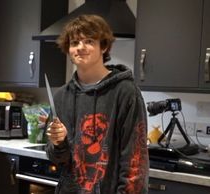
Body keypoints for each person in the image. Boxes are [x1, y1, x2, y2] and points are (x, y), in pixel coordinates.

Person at [46, 14, 149, 194]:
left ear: (104, 46)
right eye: (75, 42)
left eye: (89, 41)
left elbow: (135, 164)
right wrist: (58, 143)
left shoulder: (126, 92)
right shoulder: (61, 96)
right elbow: (58, 160)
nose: (81, 47)